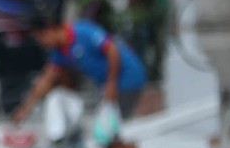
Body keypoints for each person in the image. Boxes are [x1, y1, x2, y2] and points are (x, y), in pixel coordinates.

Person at [13, 8, 148, 131]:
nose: (42, 43)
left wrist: (111, 84)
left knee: (117, 127)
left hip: (126, 79)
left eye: (40, 38)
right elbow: (46, 80)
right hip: (108, 86)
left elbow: (112, 50)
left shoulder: (83, 31)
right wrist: (25, 109)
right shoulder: (59, 53)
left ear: (49, 30)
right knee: (108, 126)